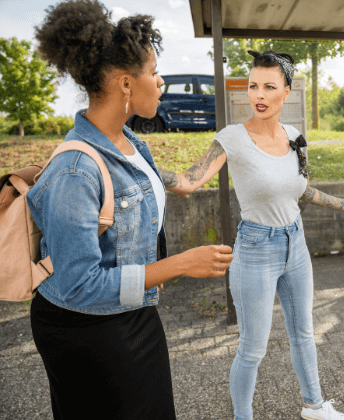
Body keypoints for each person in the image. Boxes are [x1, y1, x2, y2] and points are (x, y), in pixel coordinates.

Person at [28, 2, 234, 419]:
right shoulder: (74, 171)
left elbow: (173, 183)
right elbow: (78, 285)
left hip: (134, 312)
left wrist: (227, 145)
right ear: (125, 83)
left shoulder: (130, 142)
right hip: (85, 328)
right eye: (154, 72)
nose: (160, 82)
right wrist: (180, 264)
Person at [159, 50, 344, 420]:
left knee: (304, 334)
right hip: (256, 249)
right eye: (252, 86)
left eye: (269, 87)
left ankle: (315, 406)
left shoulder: (294, 136)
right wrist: (139, 163)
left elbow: (300, 189)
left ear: (286, 91)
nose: (258, 94)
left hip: (296, 244)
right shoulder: (232, 138)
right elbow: (189, 182)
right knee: (252, 349)